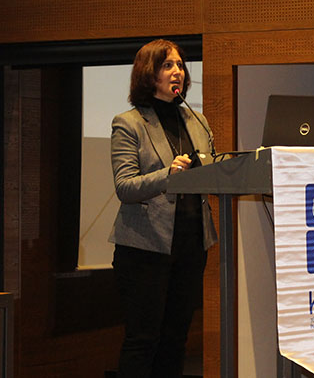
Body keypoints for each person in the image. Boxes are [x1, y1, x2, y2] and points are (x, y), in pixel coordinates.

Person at [109, 39, 217, 378]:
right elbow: (125, 187)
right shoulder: (129, 123)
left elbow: (210, 169)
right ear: (148, 73)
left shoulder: (197, 121)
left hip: (191, 245)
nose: (177, 72)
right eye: (168, 65)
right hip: (145, 248)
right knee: (143, 340)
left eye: (180, 65)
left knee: (176, 340)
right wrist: (167, 175)